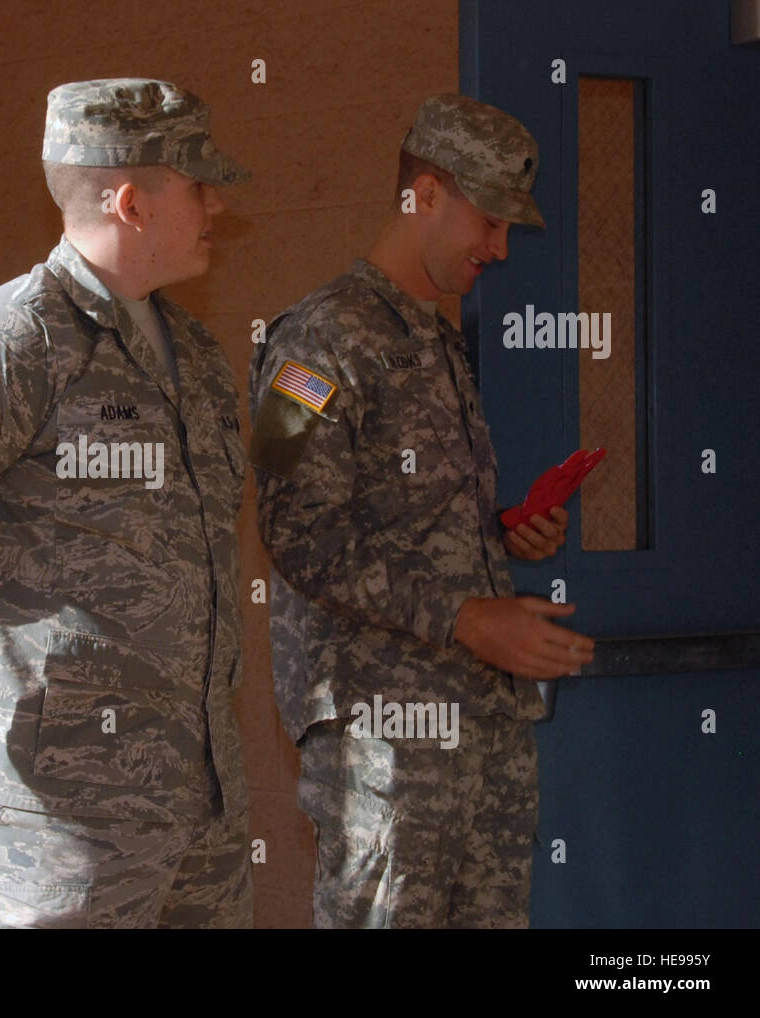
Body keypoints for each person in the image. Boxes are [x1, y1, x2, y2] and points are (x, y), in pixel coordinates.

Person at [0, 79, 252, 928]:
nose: (216, 205)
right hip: (55, 826)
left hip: (198, 812)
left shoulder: (195, 352)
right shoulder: (10, 343)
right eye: (198, 185)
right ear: (130, 203)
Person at [250, 93, 596, 929]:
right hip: (386, 737)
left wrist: (500, 535)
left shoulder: (435, 340)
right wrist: (469, 616)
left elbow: (403, 522)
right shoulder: (313, 342)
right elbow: (295, 528)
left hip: (480, 727)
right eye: (489, 221)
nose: (500, 248)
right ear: (425, 195)